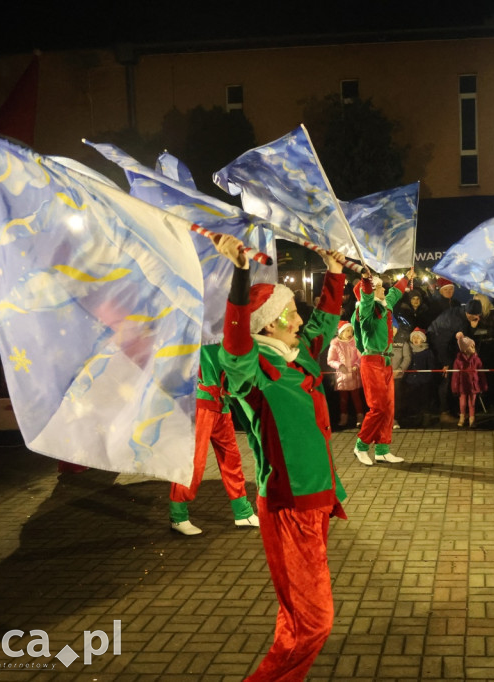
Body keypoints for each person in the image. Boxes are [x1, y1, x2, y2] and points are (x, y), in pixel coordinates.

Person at [213, 233, 348, 682]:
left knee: (298, 617)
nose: (298, 319)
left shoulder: (298, 358)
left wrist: (334, 273)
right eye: (289, 313)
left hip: (319, 500)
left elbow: (323, 325)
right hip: (290, 507)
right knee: (315, 622)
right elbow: (233, 344)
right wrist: (239, 273)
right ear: (268, 325)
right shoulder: (255, 372)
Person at [168, 341, 260, 536]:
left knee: (231, 458)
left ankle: (242, 511)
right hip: (200, 402)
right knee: (194, 462)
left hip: (221, 403)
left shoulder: (226, 328)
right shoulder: (200, 327)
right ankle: (178, 516)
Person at [351, 267, 414, 465]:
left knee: (388, 407)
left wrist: (406, 278)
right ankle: (361, 446)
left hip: (385, 361)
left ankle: (382, 449)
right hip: (372, 362)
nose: (384, 290)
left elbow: (394, 293)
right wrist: (366, 281)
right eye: (379, 287)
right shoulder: (365, 310)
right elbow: (367, 297)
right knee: (378, 407)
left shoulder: (384, 306)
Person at [427, 299, 482, 423]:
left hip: (449, 346)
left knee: (454, 379)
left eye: (477, 316)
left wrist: (473, 327)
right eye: (473, 316)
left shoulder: (464, 317)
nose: (475, 318)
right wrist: (445, 362)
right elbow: (441, 341)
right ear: (467, 312)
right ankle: (444, 412)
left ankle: (455, 410)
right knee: (446, 379)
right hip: (438, 344)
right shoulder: (454, 319)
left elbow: (465, 339)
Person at [326, 320, 364, 429]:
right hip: (342, 376)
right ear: (341, 332)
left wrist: (356, 365)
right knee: (343, 398)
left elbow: (360, 357)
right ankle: (344, 418)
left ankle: (360, 417)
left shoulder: (355, 342)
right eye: (347, 330)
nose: (349, 333)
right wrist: (339, 365)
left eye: (351, 331)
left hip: (354, 375)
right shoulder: (335, 344)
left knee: (356, 397)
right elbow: (330, 360)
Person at [401, 328, 436, 426]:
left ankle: (426, 417)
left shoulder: (427, 352)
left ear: (423, 339)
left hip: (423, 380)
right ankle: (417, 417)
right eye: (414, 337)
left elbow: (431, 366)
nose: (416, 339)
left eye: (418, 337)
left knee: (424, 399)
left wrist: (427, 377)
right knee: (414, 399)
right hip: (411, 380)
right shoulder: (409, 350)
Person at [451, 331, 486, 427]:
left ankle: (472, 418)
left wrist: (483, 385)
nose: (473, 348)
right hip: (462, 385)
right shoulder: (458, 361)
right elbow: (455, 375)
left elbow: (481, 374)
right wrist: (455, 386)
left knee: (472, 403)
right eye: (471, 346)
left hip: (473, 385)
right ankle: (462, 417)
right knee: (462, 403)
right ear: (465, 349)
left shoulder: (477, 360)